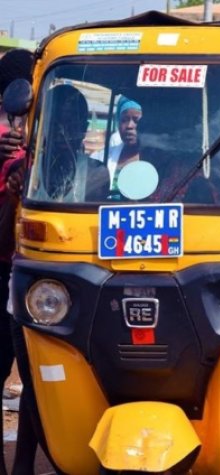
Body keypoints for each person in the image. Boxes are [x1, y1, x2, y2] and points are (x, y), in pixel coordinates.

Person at [0, 47, 37, 475]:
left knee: (36, 377)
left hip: (31, 270)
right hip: (9, 266)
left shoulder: (50, 133)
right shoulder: (11, 137)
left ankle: (24, 463)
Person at [27, 84, 108, 202]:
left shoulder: (96, 175)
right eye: (56, 125)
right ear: (43, 127)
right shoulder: (29, 171)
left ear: (84, 129)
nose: (63, 134)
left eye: (71, 126)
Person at [91, 96, 142, 200]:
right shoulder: (101, 157)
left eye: (136, 120)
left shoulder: (160, 159)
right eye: (124, 120)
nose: (129, 126)